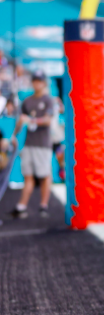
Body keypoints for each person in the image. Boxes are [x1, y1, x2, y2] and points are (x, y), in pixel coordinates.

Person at [11, 71, 54, 218]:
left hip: (43, 144)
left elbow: (48, 120)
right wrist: (14, 135)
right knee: (28, 176)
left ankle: (44, 205)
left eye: (39, 81)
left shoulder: (48, 100)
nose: (37, 83)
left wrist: (30, 120)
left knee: (44, 175)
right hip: (29, 143)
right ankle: (21, 206)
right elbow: (21, 120)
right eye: (35, 80)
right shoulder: (27, 101)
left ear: (44, 83)